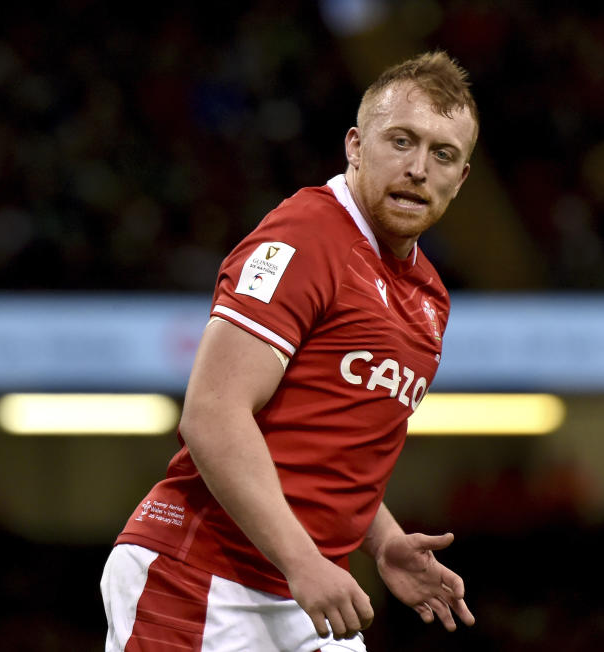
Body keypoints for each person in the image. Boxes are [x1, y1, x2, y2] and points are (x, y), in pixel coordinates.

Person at [100, 50, 479, 651]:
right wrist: (304, 562)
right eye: (401, 141)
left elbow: (320, 443)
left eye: (443, 155)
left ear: (461, 179)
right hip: (201, 579)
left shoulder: (429, 294)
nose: (418, 169)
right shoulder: (305, 237)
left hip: (306, 592)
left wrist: (380, 539)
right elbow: (213, 415)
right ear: (355, 146)